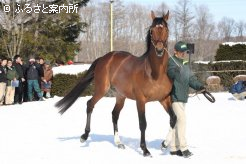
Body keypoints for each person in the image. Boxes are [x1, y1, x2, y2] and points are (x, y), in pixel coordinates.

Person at [162, 41, 205, 158]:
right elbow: (170, 73)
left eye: (184, 52)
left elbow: (191, 78)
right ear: (175, 51)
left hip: (183, 96)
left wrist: (200, 86)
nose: (183, 54)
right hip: (174, 96)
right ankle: (184, 148)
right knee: (182, 120)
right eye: (181, 52)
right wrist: (176, 70)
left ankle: (174, 148)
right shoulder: (171, 61)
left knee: (177, 123)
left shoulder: (185, 63)